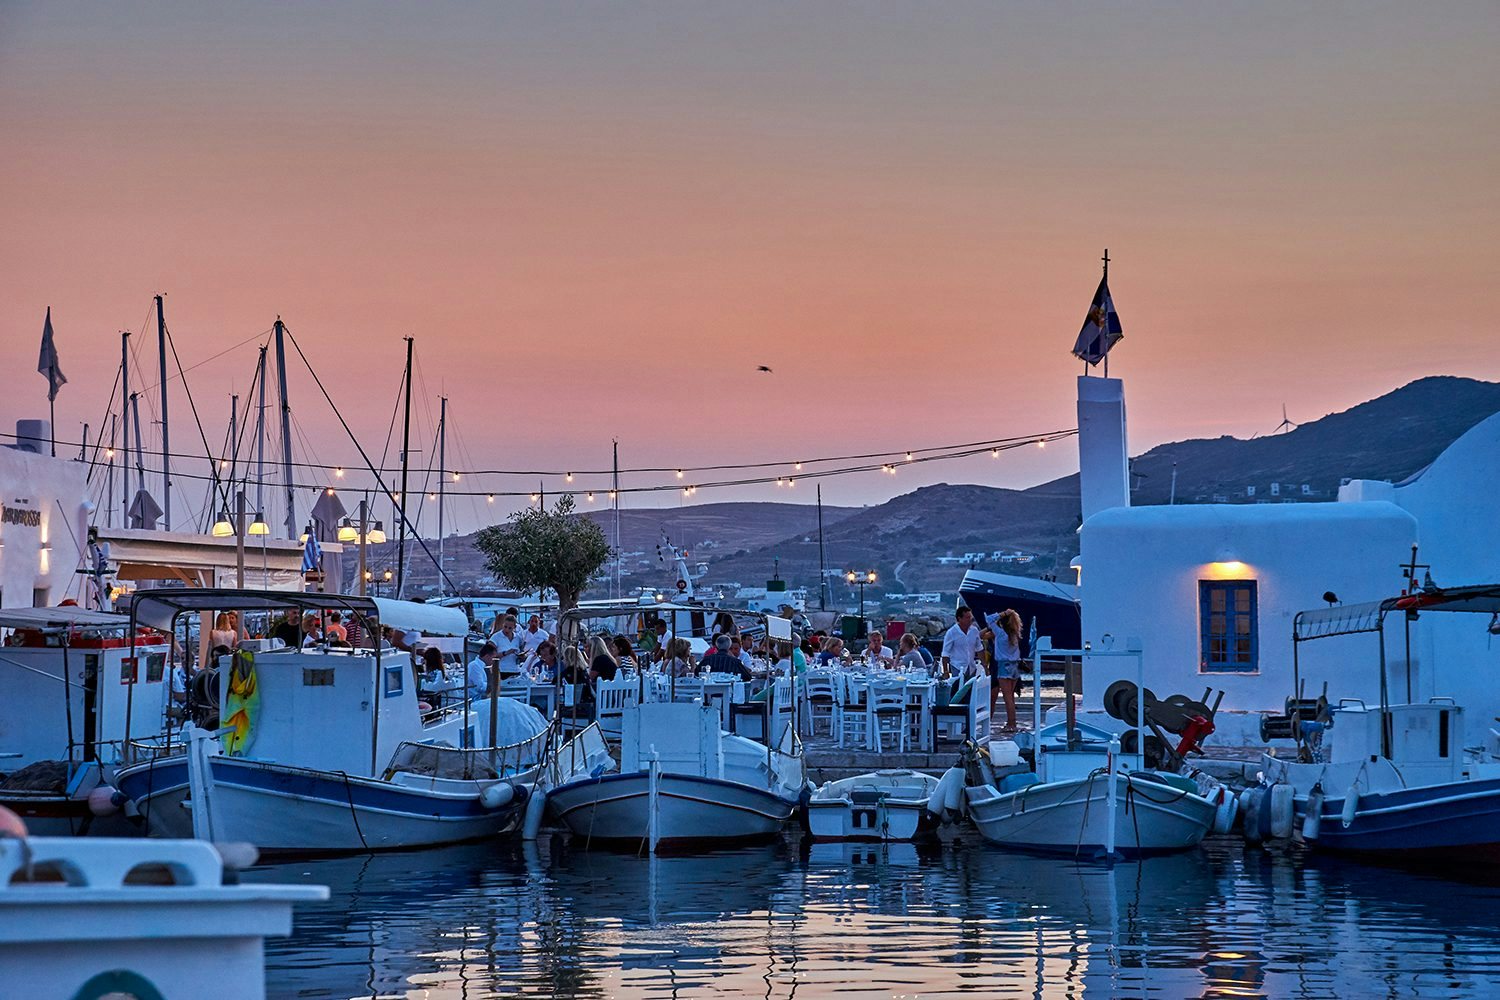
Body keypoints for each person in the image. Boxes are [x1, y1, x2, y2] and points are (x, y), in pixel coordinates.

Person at [986, 609, 1024, 733]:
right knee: (1011, 696)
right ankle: (1011, 722)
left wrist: (1003, 613)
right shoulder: (1015, 634)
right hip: (1015, 666)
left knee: (1007, 697)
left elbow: (989, 619)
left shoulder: (1001, 634)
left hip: (1003, 665)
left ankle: (1012, 724)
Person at [941, 606, 984, 680]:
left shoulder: (974, 631)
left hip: (971, 667)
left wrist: (985, 665)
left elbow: (979, 648)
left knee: (971, 689)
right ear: (959, 618)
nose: (970, 620)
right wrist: (946, 671)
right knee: (959, 689)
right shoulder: (951, 633)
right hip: (957, 666)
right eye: (967, 617)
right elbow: (945, 653)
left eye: (970, 617)